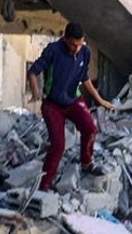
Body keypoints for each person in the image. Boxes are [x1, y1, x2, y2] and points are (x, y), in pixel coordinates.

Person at [27, 23, 115, 192]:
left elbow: (84, 78)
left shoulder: (85, 52)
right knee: (58, 145)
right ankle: (45, 184)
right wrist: (36, 91)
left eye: (80, 44)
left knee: (90, 128)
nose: (76, 49)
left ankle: (87, 162)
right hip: (53, 104)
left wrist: (100, 100)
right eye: (73, 45)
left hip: (73, 100)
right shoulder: (53, 50)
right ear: (65, 39)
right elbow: (32, 72)